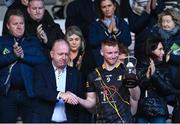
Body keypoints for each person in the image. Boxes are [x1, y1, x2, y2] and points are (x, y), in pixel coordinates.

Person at [76, 39, 140, 123]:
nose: (113, 56)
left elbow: (136, 97)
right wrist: (77, 99)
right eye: (109, 53)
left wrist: (132, 81)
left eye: (116, 52)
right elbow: (91, 102)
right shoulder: (94, 75)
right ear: (102, 52)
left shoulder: (125, 70)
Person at [0, 9, 47, 122]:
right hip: (7, 95)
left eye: (21, 23)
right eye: (15, 24)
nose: (19, 26)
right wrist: (13, 55)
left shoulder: (33, 42)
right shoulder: (1, 42)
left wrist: (23, 57)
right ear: (7, 26)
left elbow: (43, 61)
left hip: (29, 94)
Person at [33, 39, 84, 123]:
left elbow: (80, 102)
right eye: (60, 54)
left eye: (66, 54)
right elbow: (39, 90)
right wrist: (60, 94)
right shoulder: (41, 70)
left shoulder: (76, 74)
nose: (64, 57)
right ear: (52, 54)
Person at [136, 37, 178, 123]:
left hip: (159, 111)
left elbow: (167, 90)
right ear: (151, 50)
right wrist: (147, 77)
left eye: (163, 49)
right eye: (160, 49)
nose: (163, 52)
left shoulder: (164, 67)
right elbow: (137, 91)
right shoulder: (140, 66)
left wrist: (154, 75)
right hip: (141, 111)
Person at [65, 25, 96, 122]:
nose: (74, 42)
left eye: (77, 39)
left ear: (81, 41)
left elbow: (91, 77)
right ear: (66, 41)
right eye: (71, 39)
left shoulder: (88, 55)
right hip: (65, 97)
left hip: (83, 97)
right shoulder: (63, 55)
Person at [88, 0, 131, 66]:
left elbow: (128, 41)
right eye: (104, 7)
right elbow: (92, 42)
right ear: (101, 9)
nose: (107, 9)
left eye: (109, 6)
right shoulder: (95, 25)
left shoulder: (122, 22)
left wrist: (116, 31)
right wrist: (108, 32)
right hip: (101, 63)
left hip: (120, 62)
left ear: (114, 6)